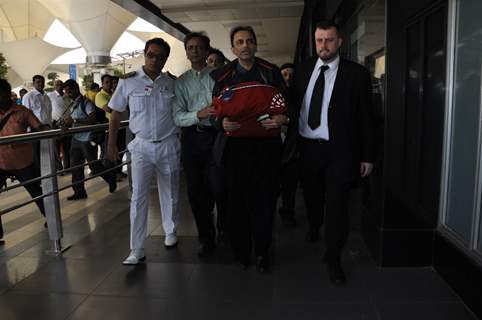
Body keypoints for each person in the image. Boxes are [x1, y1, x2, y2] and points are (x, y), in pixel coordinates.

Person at [283, 21, 375, 285]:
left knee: (337, 207)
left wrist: (367, 156)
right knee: (312, 198)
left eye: (329, 40)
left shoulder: (356, 74)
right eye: (319, 40)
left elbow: (366, 118)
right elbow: (291, 105)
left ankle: (333, 258)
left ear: (340, 42)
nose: (323, 46)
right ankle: (314, 225)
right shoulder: (301, 70)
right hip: (307, 149)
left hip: (341, 151)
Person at [210, 26, 288, 273]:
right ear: (233, 48)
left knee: (265, 202)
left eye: (249, 41)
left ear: (256, 45)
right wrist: (220, 123)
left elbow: (288, 106)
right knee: (237, 204)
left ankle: (263, 251)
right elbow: (214, 112)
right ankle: (242, 251)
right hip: (234, 149)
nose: (245, 46)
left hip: (266, 149)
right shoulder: (222, 76)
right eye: (240, 42)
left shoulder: (271, 72)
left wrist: (282, 119)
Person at [107, 38, 181, 265]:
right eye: (151, 54)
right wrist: (111, 144)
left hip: (168, 142)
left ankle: (170, 231)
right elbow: (116, 113)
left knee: (170, 191)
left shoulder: (172, 83)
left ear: (165, 59)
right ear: (144, 54)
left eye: (160, 56)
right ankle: (136, 248)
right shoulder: (128, 82)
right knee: (138, 196)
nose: (154, 60)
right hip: (141, 146)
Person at [172, 32, 227, 256]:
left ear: (207, 51)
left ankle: (225, 229)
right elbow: (177, 117)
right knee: (196, 192)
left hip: (218, 137)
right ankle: (206, 238)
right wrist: (199, 114)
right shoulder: (181, 82)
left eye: (199, 47)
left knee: (221, 188)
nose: (194, 51)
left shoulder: (220, 76)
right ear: (186, 51)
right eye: (191, 47)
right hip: (193, 140)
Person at [0, 78, 49, 241]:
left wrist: (51, 129)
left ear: (8, 94)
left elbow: (39, 127)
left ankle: (51, 218)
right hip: (1, 161)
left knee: (36, 191)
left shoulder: (22, 111)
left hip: (22, 161)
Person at [61, 79, 117, 200]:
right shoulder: (72, 104)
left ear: (76, 89)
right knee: (75, 166)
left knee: (93, 165)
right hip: (76, 138)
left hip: (87, 138)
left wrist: (75, 121)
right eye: (66, 92)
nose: (68, 94)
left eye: (69, 91)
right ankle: (79, 191)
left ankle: (110, 178)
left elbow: (92, 119)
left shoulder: (86, 103)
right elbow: (74, 120)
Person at [278, 62, 298, 227]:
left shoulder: (299, 96)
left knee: (289, 184)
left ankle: (287, 211)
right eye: (284, 74)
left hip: (292, 147)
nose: (288, 77)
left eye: (291, 74)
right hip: (273, 146)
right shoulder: (273, 94)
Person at [22, 75, 53, 171]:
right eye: (38, 82)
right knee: (36, 154)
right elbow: (26, 114)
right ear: (34, 83)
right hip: (35, 129)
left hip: (47, 128)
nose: (40, 84)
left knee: (47, 153)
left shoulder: (46, 96)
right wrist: (28, 131)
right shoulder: (29, 96)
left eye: (42, 82)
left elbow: (49, 113)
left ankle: (47, 172)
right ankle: (38, 175)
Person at [48, 79, 72, 171]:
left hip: (67, 125)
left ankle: (68, 167)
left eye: (61, 85)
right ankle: (58, 168)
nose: (59, 86)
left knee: (67, 146)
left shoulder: (67, 96)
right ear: (54, 86)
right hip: (55, 124)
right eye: (57, 85)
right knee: (56, 148)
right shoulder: (50, 96)